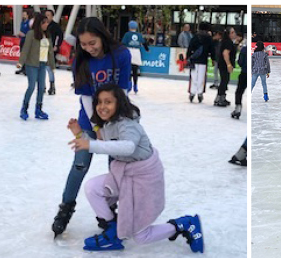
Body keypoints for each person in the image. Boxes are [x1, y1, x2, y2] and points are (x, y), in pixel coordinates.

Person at [66, 83, 204, 252]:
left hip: (145, 178)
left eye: (108, 102)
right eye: (99, 102)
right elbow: (103, 143)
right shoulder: (108, 125)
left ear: (119, 103)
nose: (102, 106)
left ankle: (184, 224)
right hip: (124, 173)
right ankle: (112, 230)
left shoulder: (128, 123)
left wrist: (89, 145)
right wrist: (80, 134)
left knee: (141, 236)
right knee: (92, 188)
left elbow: (127, 147)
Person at [51, 17, 132, 237]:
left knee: (116, 169)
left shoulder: (122, 54)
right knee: (79, 166)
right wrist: (97, 128)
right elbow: (87, 98)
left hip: (116, 123)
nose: (89, 48)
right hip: (89, 123)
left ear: (102, 36)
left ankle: (108, 211)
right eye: (84, 44)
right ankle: (65, 209)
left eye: (92, 43)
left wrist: (113, 125)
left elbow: (123, 90)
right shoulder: (81, 60)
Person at [16, 13, 54, 120]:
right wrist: (21, 62)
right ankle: (24, 108)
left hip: (42, 64)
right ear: (39, 23)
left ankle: (38, 109)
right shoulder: (31, 34)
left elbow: (50, 52)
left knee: (41, 87)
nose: (47, 24)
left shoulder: (47, 35)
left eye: (47, 22)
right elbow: (26, 49)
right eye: (44, 22)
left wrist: (52, 65)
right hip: (32, 64)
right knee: (31, 86)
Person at [186, 22, 214, 103]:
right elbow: (211, 49)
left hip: (194, 60)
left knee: (193, 76)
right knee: (201, 77)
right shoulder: (208, 38)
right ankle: (200, 93)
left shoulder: (195, 36)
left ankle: (192, 92)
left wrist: (188, 57)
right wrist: (213, 58)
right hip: (203, 60)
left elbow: (190, 47)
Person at [122, 20, 149, 94]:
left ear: (129, 27)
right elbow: (144, 43)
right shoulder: (139, 35)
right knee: (135, 70)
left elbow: (123, 43)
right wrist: (147, 49)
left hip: (129, 51)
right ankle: (135, 86)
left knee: (128, 69)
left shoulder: (127, 34)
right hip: (136, 52)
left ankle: (129, 84)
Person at [43, 9, 63, 95]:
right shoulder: (42, 25)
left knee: (49, 68)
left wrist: (57, 46)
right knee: (42, 68)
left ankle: (52, 86)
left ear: (52, 16)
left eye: (48, 15)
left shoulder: (55, 26)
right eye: (46, 15)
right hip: (42, 49)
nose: (47, 16)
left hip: (51, 50)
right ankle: (42, 86)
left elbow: (60, 36)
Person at [214, 27, 236, 107]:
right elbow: (225, 53)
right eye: (233, 32)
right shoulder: (228, 42)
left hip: (222, 64)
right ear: (229, 34)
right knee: (224, 81)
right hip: (224, 65)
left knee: (225, 80)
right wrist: (229, 64)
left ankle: (222, 97)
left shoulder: (225, 41)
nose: (234, 34)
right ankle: (219, 98)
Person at [15, 9, 33, 75]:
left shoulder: (29, 23)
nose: (23, 15)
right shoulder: (22, 22)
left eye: (24, 14)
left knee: (26, 54)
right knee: (22, 54)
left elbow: (30, 32)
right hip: (22, 40)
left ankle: (26, 69)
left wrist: (25, 35)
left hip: (26, 40)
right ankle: (22, 68)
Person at [232, 44, 247, 119]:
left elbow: (240, 62)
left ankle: (238, 108)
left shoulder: (244, 49)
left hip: (244, 73)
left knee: (239, 92)